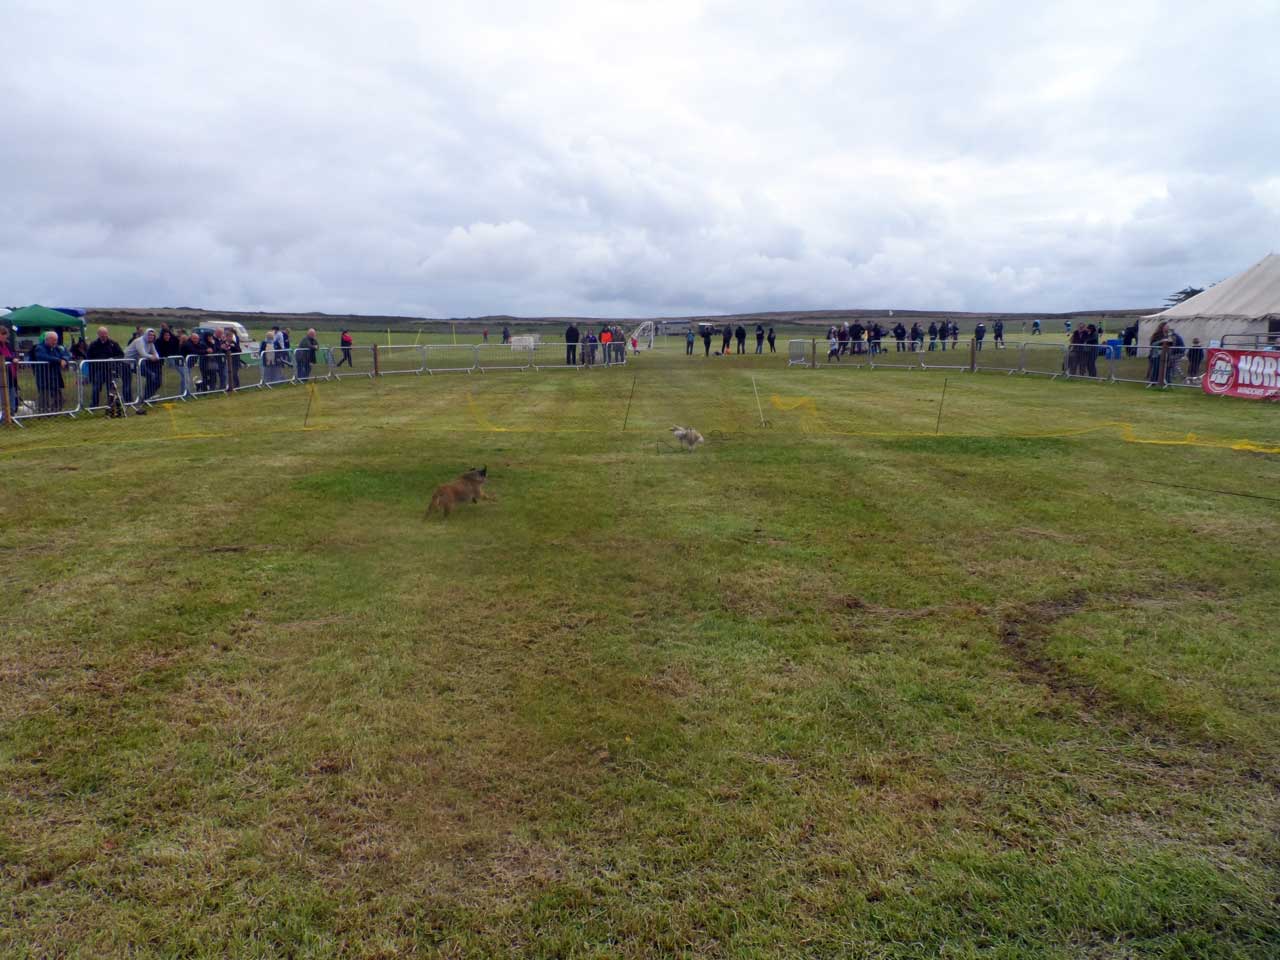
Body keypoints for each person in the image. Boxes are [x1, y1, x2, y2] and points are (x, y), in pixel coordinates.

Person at [85, 326, 127, 407]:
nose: (104, 336)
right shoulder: (93, 345)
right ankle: (94, 406)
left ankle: (111, 406)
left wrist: (113, 359)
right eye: (102, 334)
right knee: (96, 388)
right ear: (98, 334)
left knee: (111, 389)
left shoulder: (113, 343)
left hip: (110, 371)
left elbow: (121, 355)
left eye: (105, 334)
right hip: (98, 371)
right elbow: (89, 357)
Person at [33, 331, 70, 413]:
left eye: (56, 340)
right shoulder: (39, 348)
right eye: (53, 340)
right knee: (44, 398)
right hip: (44, 377)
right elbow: (43, 357)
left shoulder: (57, 348)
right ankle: (42, 414)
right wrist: (59, 360)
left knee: (59, 398)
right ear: (47, 339)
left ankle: (54, 413)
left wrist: (64, 359)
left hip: (55, 377)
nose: (55, 342)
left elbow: (66, 354)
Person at [124, 328, 161, 404]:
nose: (151, 337)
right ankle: (128, 402)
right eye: (149, 335)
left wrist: (155, 357)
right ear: (146, 335)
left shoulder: (150, 343)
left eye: (153, 335)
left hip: (137, 363)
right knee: (127, 383)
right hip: (126, 363)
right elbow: (142, 353)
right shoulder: (139, 341)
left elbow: (156, 354)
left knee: (152, 376)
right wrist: (152, 357)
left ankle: (146, 398)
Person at [0, 325, 19, 420]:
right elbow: (2, 357)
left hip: (10, 373)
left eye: (5, 334)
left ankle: (11, 415)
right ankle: (4, 416)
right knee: (2, 395)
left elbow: (13, 353)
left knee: (12, 393)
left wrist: (14, 358)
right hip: (1, 375)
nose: (5, 337)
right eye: (3, 334)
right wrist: (12, 359)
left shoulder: (7, 344)